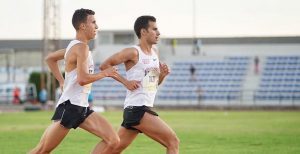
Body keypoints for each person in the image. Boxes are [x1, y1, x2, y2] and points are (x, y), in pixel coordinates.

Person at [30, 8, 120, 154]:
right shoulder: (81, 48)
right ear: (83, 26)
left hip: (81, 107)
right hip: (70, 107)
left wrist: (61, 80)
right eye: (94, 22)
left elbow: (50, 58)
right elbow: (83, 79)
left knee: (114, 140)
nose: (97, 27)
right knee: (41, 150)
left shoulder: (74, 47)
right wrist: (105, 73)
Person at [100, 15, 180, 154]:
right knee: (173, 142)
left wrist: (162, 75)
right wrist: (125, 82)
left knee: (113, 150)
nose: (158, 33)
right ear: (143, 32)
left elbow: (151, 85)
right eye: (154, 29)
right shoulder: (132, 52)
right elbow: (104, 66)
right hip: (138, 109)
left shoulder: (155, 53)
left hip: (139, 109)